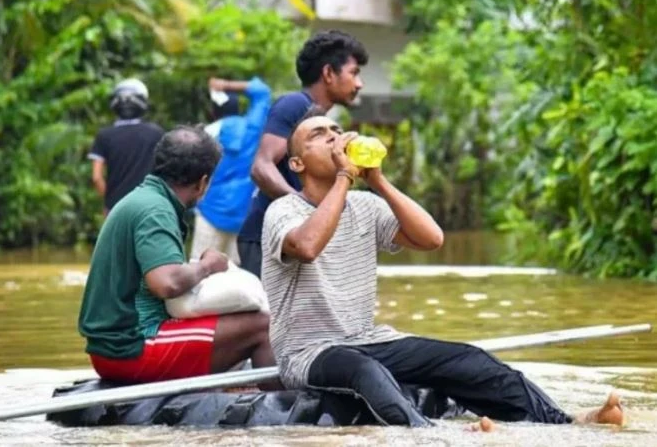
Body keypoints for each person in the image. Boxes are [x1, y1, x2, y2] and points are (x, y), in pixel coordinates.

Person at [260, 113, 625, 429]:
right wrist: (344, 176)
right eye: (318, 134)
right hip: (309, 353)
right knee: (363, 371)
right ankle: (431, 436)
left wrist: (377, 180)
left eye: (336, 130)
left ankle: (567, 421)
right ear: (298, 164)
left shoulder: (365, 205)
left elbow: (431, 238)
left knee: (467, 359)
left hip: (369, 339)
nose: (334, 137)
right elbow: (307, 246)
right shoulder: (283, 211)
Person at [78, 126, 280, 390]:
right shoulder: (156, 210)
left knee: (236, 323)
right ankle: (281, 409)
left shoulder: (144, 199)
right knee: (262, 326)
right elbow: (167, 283)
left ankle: (235, 389)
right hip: (130, 348)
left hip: (113, 346)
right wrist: (208, 265)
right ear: (203, 182)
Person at [236, 30, 368, 278]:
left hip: (294, 238)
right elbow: (261, 167)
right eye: (353, 73)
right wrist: (304, 206)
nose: (359, 84)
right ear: (328, 73)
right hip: (266, 239)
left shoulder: (321, 120)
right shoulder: (295, 104)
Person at [191, 76, 272, 264]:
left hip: (209, 210)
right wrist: (226, 85)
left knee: (199, 268)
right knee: (233, 273)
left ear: (213, 110)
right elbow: (262, 92)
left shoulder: (206, 133)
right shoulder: (253, 128)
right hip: (242, 214)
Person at [88, 78, 165, 215]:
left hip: (116, 208)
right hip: (149, 206)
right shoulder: (156, 133)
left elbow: (96, 177)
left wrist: (110, 202)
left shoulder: (104, 135)